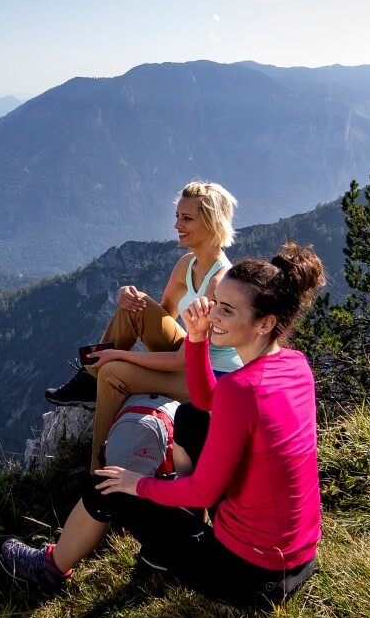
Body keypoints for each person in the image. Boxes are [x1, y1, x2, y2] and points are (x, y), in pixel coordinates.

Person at [2, 243, 326, 610]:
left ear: (265, 323)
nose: (213, 313)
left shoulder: (241, 389)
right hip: (298, 561)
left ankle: (49, 569)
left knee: (107, 484)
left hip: (249, 578)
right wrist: (198, 338)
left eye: (227, 310)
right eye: (215, 301)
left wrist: (136, 484)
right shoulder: (295, 364)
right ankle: (168, 543)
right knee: (190, 418)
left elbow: (204, 492)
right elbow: (205, 403)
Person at [44, 180, 240, 473]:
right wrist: (127, 297)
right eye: (177, 216)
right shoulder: (187, 265)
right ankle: (89, 378)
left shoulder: (218, 282)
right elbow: (159, 317)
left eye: (186, 218)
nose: (176, 225)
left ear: (212, 223)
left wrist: (118, 356)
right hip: (190, 355)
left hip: (208, 379)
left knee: (111, 373)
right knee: (137, 304)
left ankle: (97, 470)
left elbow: (180, 360)